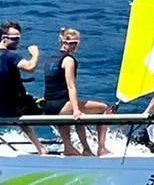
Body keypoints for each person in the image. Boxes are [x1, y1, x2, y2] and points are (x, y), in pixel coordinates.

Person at [42, 28, 111, 157]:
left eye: (76, 43)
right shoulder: (69, 60)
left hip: (49, 107)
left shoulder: (50, 59)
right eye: (72, 43)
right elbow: (71, 86)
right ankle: (100, 148)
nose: (74, 46)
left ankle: (70, 147)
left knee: (75, 112)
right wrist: (75, 110)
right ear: (65, 42)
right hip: (62, 106)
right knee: (104, 108)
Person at [0, 21, 46, 154]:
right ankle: (70, 147)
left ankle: (41, 148)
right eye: (14, 39)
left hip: (2, 110)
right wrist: (35, 54)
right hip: (18, 108)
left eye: (19, 38)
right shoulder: (11, 56)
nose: (18, 42)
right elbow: (30, 67)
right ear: (4, 38)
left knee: (26, 104)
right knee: (55, 107)